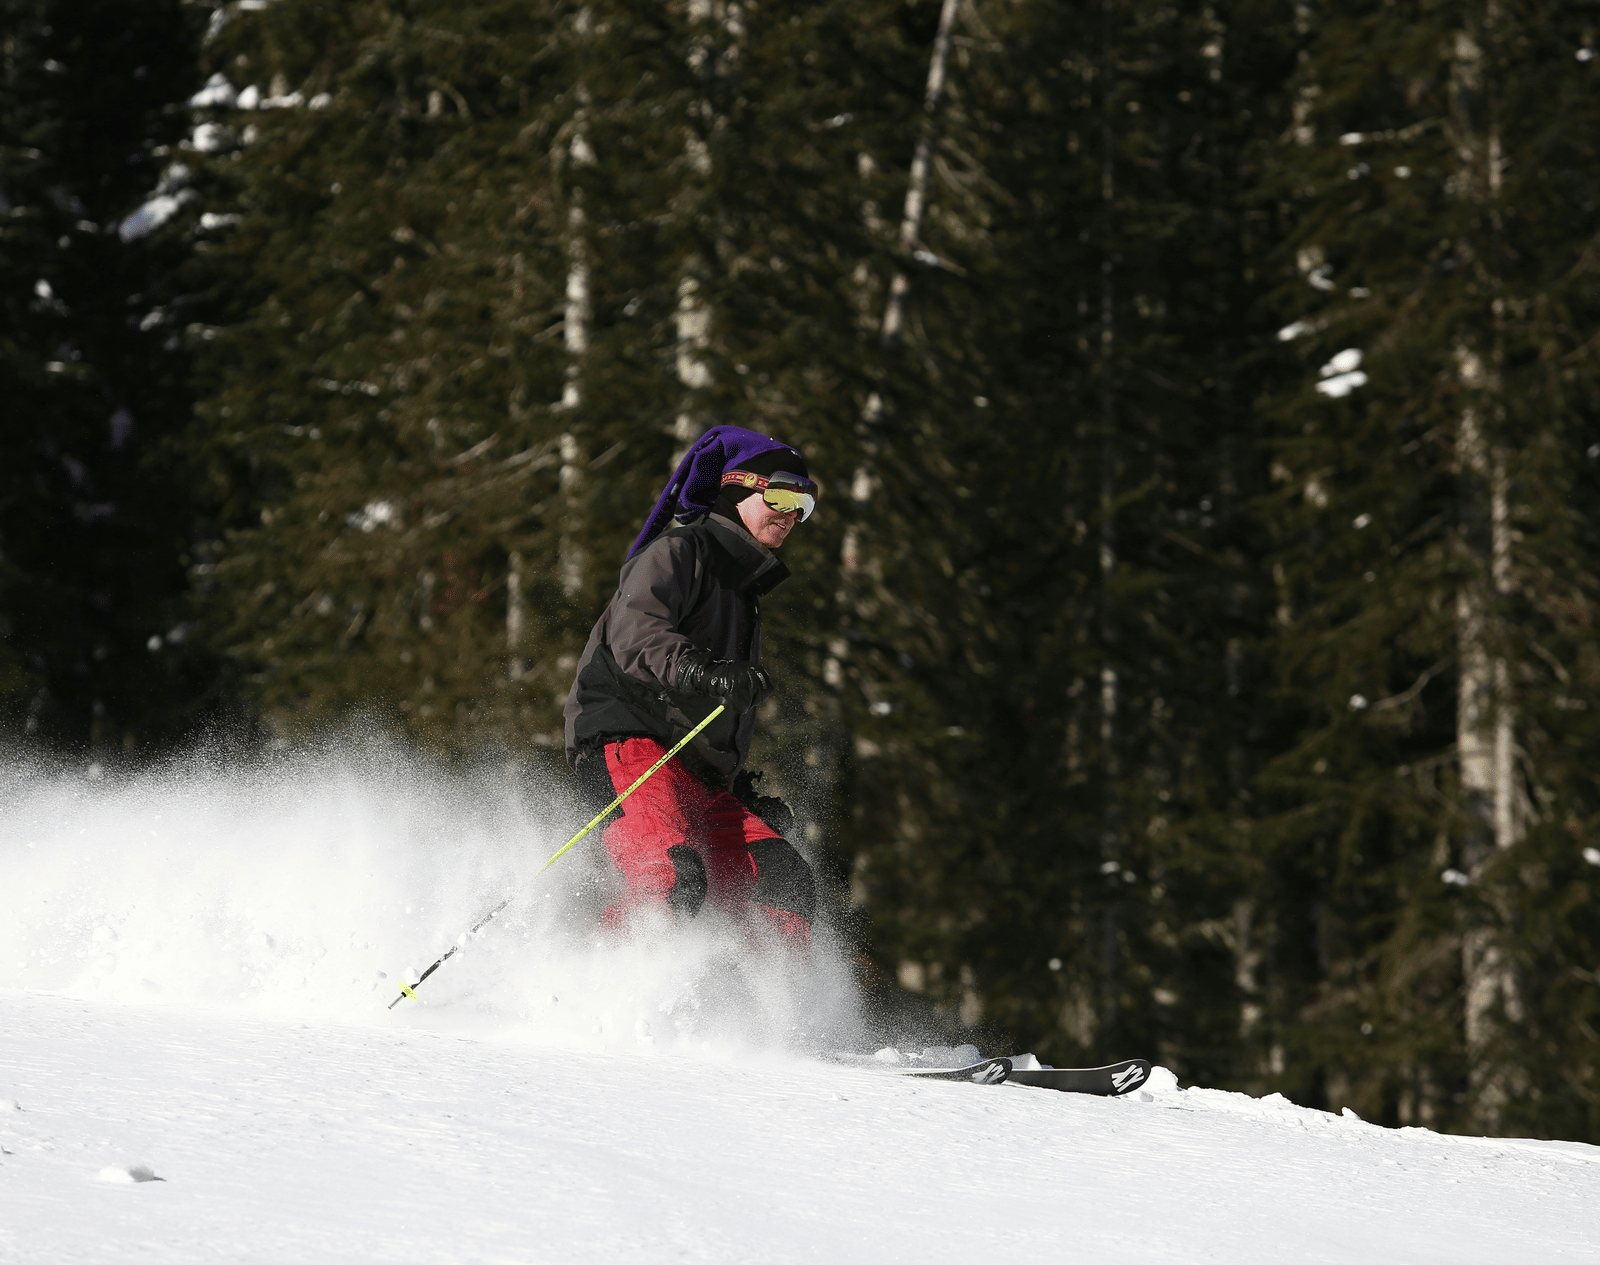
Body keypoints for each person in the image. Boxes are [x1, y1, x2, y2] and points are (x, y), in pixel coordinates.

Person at [564, 425, 820, 947]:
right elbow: (636, 633)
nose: (792, 513)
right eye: (783, 493)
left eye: (805, 504)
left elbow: (713, 711)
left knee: (784, 884)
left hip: (696, 776)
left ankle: (749, 1019)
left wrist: (734, 785)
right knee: (672, 882)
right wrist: (705, 670)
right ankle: (583, 992)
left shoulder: (742, 588)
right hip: (630, 746)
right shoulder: (681, 551)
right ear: (737, 487)